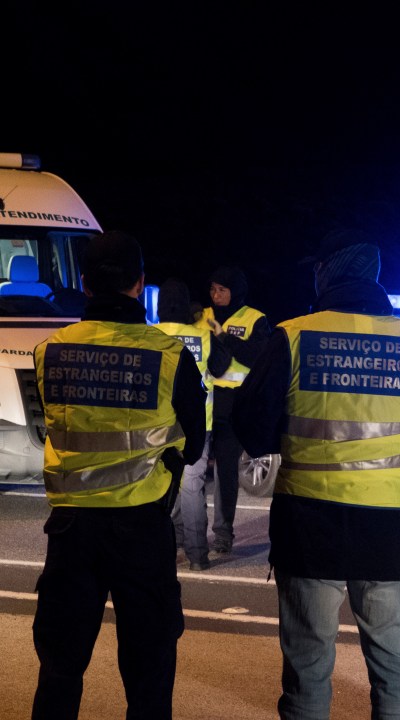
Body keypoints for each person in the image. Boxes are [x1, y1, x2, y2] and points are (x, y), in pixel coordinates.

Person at [233, 228, 400, 719]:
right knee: (394, 664)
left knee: (307, 666)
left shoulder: (293, 334)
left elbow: (251, 428)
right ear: (375, 276)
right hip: (391, 525)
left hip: (311, 523)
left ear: (325, 272)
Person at [31, 231, 206, 719]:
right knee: (149, 678)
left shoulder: (51, 349)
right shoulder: (169, 355)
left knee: (60, 671)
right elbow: (194, 443)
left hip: (71, 531)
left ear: (84, 285)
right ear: (140, 283)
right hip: (143, 530)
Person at [156, 278, 231, 571]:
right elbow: (221, 367)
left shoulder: (149, 335)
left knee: (159, 487)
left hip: (158, 426)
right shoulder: (202, 337)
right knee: (191, 488)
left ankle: (163, 550)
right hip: (199, 424)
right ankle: (198, 556)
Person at [202, 265, 270, 555]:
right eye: (213, 289)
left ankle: (222, 533)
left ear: (236, 292)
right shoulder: (200, 316)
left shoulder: (255, 319)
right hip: (202, 403)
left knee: (225, 471)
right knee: (188, 473)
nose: (216, 295)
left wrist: (225, 339)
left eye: (223, 290)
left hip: (234, 404)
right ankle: (181, 533)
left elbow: (258, 357)